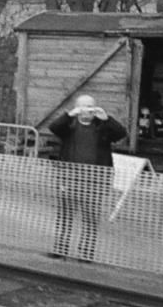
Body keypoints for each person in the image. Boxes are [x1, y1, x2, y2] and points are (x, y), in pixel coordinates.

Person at [45, 92, 127, 262]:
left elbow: (121, 133)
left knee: (90, 218)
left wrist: (107, 119)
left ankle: (86, 252)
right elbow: (53, 127)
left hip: (94, 181)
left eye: (90, 107)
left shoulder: (103, 127)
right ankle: (60, 249)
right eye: (83, 107)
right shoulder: (69, 126)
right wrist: (69, 115)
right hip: (70, 179)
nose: (87, 111)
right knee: (65, 216)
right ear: (77, 109)